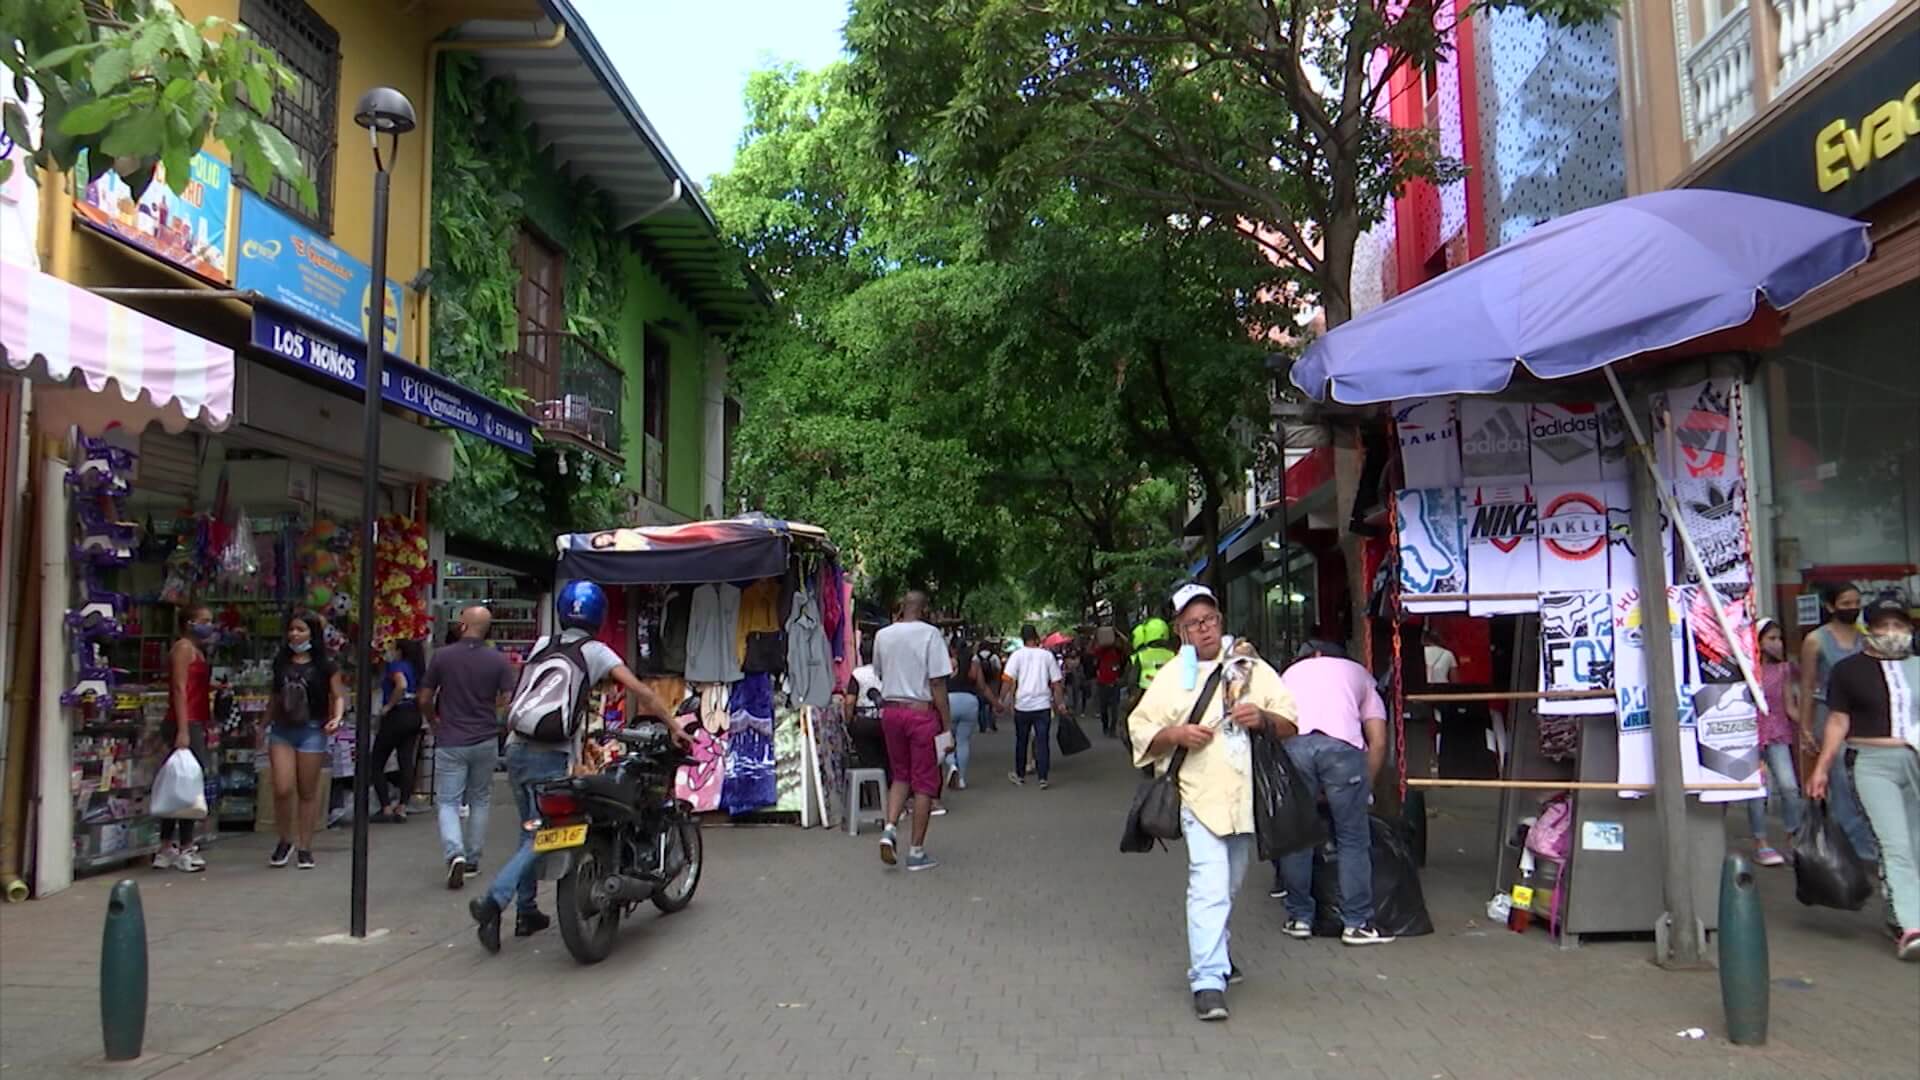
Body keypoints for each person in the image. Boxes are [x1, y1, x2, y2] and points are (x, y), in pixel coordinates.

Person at [469, 582, 680, 952]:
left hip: (516, 748)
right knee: (541, 836)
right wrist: (674, 726)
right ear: (598, 616)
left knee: (530, 830)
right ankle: (494, 902)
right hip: (548, 754)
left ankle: (527, 912)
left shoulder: (541, 643)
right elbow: (641, 691)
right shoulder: (595, 651)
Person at [1129, 584, 1297, 1021]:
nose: (1203, 630)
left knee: (1230, 883)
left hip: (1245, 797)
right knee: (1207, 882)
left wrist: (1262, 719)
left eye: (1209, 621)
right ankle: (1206, 979)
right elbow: (1141, 727)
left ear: (1220, 620)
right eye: (1193, 624)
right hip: (1197, 795)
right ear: (1181, 632)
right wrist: (1176, 735)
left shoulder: (1250, 668)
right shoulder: (1171, 677)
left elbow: (1290, 721)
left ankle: (1216, 953)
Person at [1807, 597, 1920, 961]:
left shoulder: (1918, 666)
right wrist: (1822, 767)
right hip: (1872, 762)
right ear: (1868, 629)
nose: (1892, 633)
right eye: (1884, 625)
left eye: (1899, 625)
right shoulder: (1848, 670)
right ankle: (1912, 925)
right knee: (1895, 843)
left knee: (1915, 846)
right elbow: (1837, 721)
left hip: (1915, 758)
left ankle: (1896, 912)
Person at [1274, 638, 1395, 946]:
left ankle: (1299, 918)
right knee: (1352, 838)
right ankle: (1356, 923)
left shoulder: (1289, 673)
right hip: (1342, 749)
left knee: (1298, 837)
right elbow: (1378, 741)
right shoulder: (1360, 674)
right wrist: (1363, 786)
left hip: (1295, 748)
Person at [419, 605, 518, 890]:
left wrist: (433, 722)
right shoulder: (498, 661)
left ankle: (455, 852)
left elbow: (425, 697)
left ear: (463, 625)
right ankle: (473, 858)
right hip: (485, 738)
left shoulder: (443, 657)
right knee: (480, 799)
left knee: (448, 801)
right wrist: (499, 723)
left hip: (451, 737)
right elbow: (508, 701)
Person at [871, 591, 953, 871]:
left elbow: (879, 672)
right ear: (925, 608)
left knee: (900, 776)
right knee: (924, 784)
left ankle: (890, 829)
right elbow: (938, 684)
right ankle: (916, 852)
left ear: (902, 608)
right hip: (920, 714)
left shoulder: (883, 635)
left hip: (891, 712)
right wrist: (947, 725)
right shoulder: (931, 635)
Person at [1799, 584, 1879, 862]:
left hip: (1862, 716)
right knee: (1841, 782)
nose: (1853, 608)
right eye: (1846, 603)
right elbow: (1807, 686)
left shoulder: (1865, 638)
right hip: (1828, 713)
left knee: (1864, 778)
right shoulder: (1816, 640)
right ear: (1832, 607)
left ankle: (1867, 843)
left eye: (1857, 602)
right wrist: (1806, 728)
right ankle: (1857, 849)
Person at [264, 611, 344, 870]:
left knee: (307, 791)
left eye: (300, 630)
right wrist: (262, 724)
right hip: (282, 729)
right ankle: (284, 838)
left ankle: (305, 846)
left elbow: (338, 694)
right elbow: (275, 696)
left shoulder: (326, 665)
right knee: (282, 787)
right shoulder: (281, 662)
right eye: (291, 629)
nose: (294, 634)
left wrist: (336, 718)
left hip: (312, 729)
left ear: (312, 634)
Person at [155, 605, 216, 873]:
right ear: (189, 622)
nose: (209, 626)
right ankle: (185, 846)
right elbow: (180, 689)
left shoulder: (197, 649)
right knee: (188, 786)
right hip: (185, 721)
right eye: (204, 621)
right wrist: (182, 729)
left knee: (178, 784)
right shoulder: (183, 649)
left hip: (193, 720)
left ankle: (167, 845)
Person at [1747, 618, 1804, 867]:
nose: (1777, 644)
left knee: (1790, 788)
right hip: (1750, 735)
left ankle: (1793, 838)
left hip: (1779, 731)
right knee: (1757, 791)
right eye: (1771, 639)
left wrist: (1809, 729)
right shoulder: (1746, 669)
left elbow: (1791, 705)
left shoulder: (1785, 670)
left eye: (1779, 638)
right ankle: (1761, 842)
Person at [370, 639, 426, 823]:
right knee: (406, 760)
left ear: (400, 650)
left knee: (377, 761)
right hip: (413, 715)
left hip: (397, 715)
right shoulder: (417, 668)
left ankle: (385, 806)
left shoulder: (396, 665)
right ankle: (402, 806)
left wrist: (388, 706)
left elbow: (400, 684)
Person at [1003, 625, 1066, 788]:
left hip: (1022, 706)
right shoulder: (1047, 656)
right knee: (1042, 741)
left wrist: (1001, 700)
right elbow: (1056, 683)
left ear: (1022, 637)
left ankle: (1020, 775)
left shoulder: (1016, 656)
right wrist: (1060, 703)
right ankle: (1043, 777)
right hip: (1043, 705)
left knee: (1021, 741)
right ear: (1036, 636)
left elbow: (1007, 679)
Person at [945, 638, 987, 791]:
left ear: (952, 649)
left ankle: (951, 764)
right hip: (969, 701)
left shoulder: (946, 663)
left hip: (948, 701)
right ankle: (961, 778)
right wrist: (996, 703)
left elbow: (936, 683)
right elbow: (982, 686)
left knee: (946, 738)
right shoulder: (974, 664)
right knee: (963, 741)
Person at [1093, 632, 1126, 737]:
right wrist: (1096, 638)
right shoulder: (1102, 651)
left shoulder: (1118, 651)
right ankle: (1105, 727)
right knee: (1103, 709)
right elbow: (1091, 650)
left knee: (1115, 709)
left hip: (1114, 683)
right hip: (1102, 683)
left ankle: (1112, 730)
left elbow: (1126, 644)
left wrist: (1118, 634)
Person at [975, 640, 1004, 731]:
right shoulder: (994, 656)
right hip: (992, 682)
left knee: (981, 704)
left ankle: (982, 725)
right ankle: (992, 724)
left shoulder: (976, 657)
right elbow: (999, 669)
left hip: (980, 682)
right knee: (992, 703)